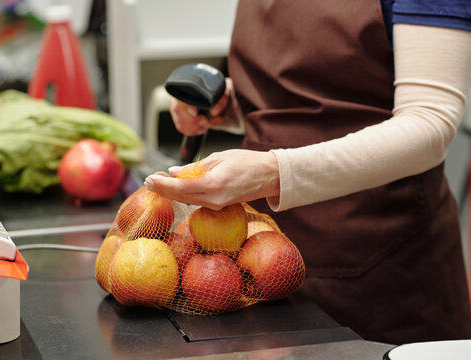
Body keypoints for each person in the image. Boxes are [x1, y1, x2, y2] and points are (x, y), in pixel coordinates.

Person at [144, 0, 471, 345]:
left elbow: (429, 125)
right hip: (256, 261)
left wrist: (273, 172)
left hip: (378, 266)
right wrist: (235, 107)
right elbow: (316, 95)